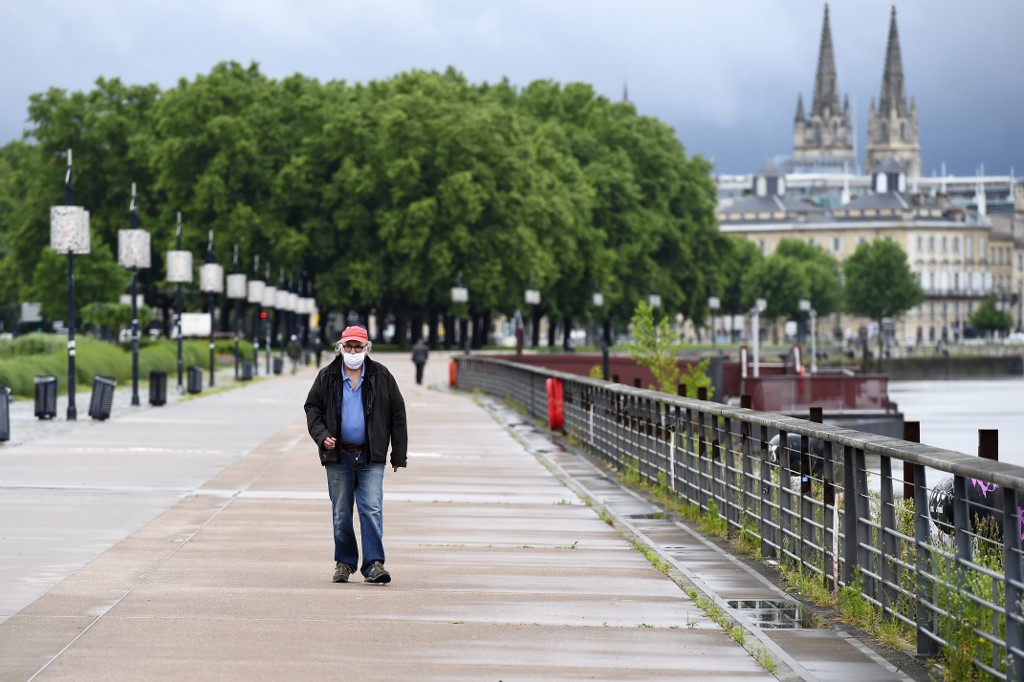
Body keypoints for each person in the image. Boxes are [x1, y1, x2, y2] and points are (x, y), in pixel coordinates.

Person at [303, 326, 407, 585]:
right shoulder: (327, 376)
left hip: (371, 456)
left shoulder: (381, 375)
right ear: (340, 347)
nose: (352, 351)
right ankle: (344, 563)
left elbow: (397, 413)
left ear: (366, 348)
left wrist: (399, 454)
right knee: (341, 512)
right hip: (338, 457)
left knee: (371, 510)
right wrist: (321, 435)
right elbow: (312, 408)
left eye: (358, 347)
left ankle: (374, 564)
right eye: (348, 346)